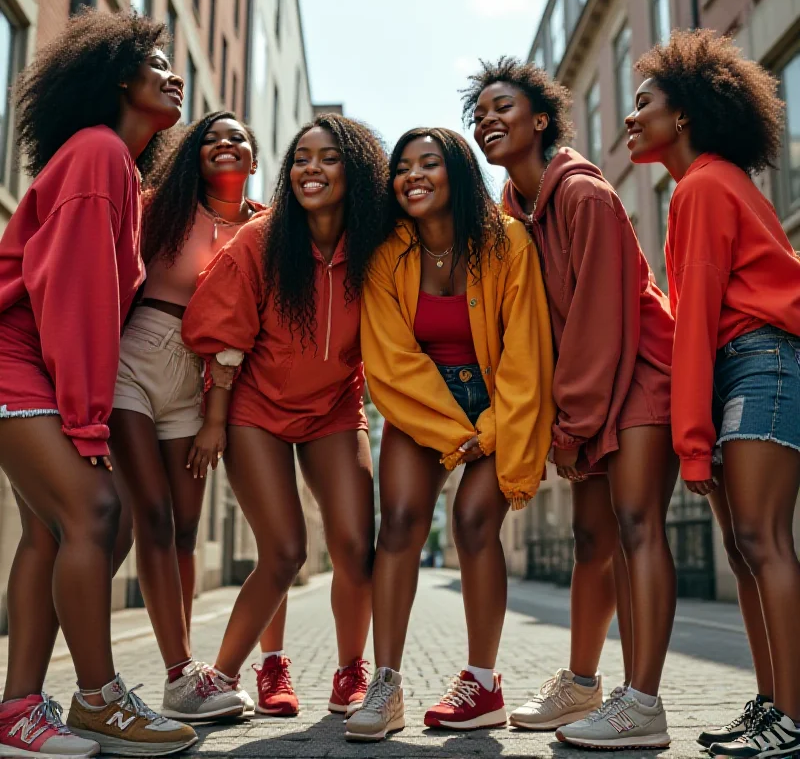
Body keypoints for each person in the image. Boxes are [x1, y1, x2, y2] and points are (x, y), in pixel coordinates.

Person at [465, 57, 678, 750]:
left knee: (637, 524)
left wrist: (574, 420)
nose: (488, 120)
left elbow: (599, 318)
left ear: (541, 121)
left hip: (642, 372)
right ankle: (582, 684)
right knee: (591, 539)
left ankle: (642, 703)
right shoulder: (511, 215)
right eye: (480, 113)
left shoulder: (584, 194)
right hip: (587, 391)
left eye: (504, 108)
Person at [0, 9, 198, 757]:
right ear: (118, 76)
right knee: (98, 511)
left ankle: (19, 711)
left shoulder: (113, 165)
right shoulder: (97, 154)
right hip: (17, 357)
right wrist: (88, 421)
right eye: (157, 63)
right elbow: (76, 298)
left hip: (33, 364)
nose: (173, 75)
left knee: (52, 532)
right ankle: (98, 698)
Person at [346, 127, 555, 742]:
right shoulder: (387, 256)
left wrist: (489, 429)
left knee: (471, 522)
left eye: (428, 164)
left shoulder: (506, 241)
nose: (412, 175)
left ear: (457, 172)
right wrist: (451, 429)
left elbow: (525, 347)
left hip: (501, 398)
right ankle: (384, 685)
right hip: (422, 403)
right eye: (403, 167)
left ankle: (483, 683)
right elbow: (388, 360)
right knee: (403, 521)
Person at [627, 30, 800, 759]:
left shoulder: (702, 185)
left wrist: (689, 441)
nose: (631, 118)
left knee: (762, 539)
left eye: (644, 104)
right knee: (741, 546)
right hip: (747, 362)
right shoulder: (709, 183)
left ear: (686, 115)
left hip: (761, 361)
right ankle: (770, 704)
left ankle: (791, 718)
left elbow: (695, 320)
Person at [182, 113, 388, 719]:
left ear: (356, 173)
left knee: (355, 545)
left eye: (328, 158)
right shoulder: (262, 240)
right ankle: (239, 674)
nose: (311, 170)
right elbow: (224, 336)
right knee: (284, 550)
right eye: (301, 158)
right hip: (256, 408)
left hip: (333, 408)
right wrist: (216, 420)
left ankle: (352, 672)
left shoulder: (377, 245)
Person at [110, 110, 265, 721]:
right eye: (211, 138)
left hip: (199, 381)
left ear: (254, 159)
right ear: (194, 156)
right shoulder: (161, 206)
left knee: (184, 526)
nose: (224, 145)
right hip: (135, 355)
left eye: (237, 138)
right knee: (148, 512)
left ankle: (184, 673)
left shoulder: (265, 229)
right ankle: (178, 673)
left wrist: (217, 414)